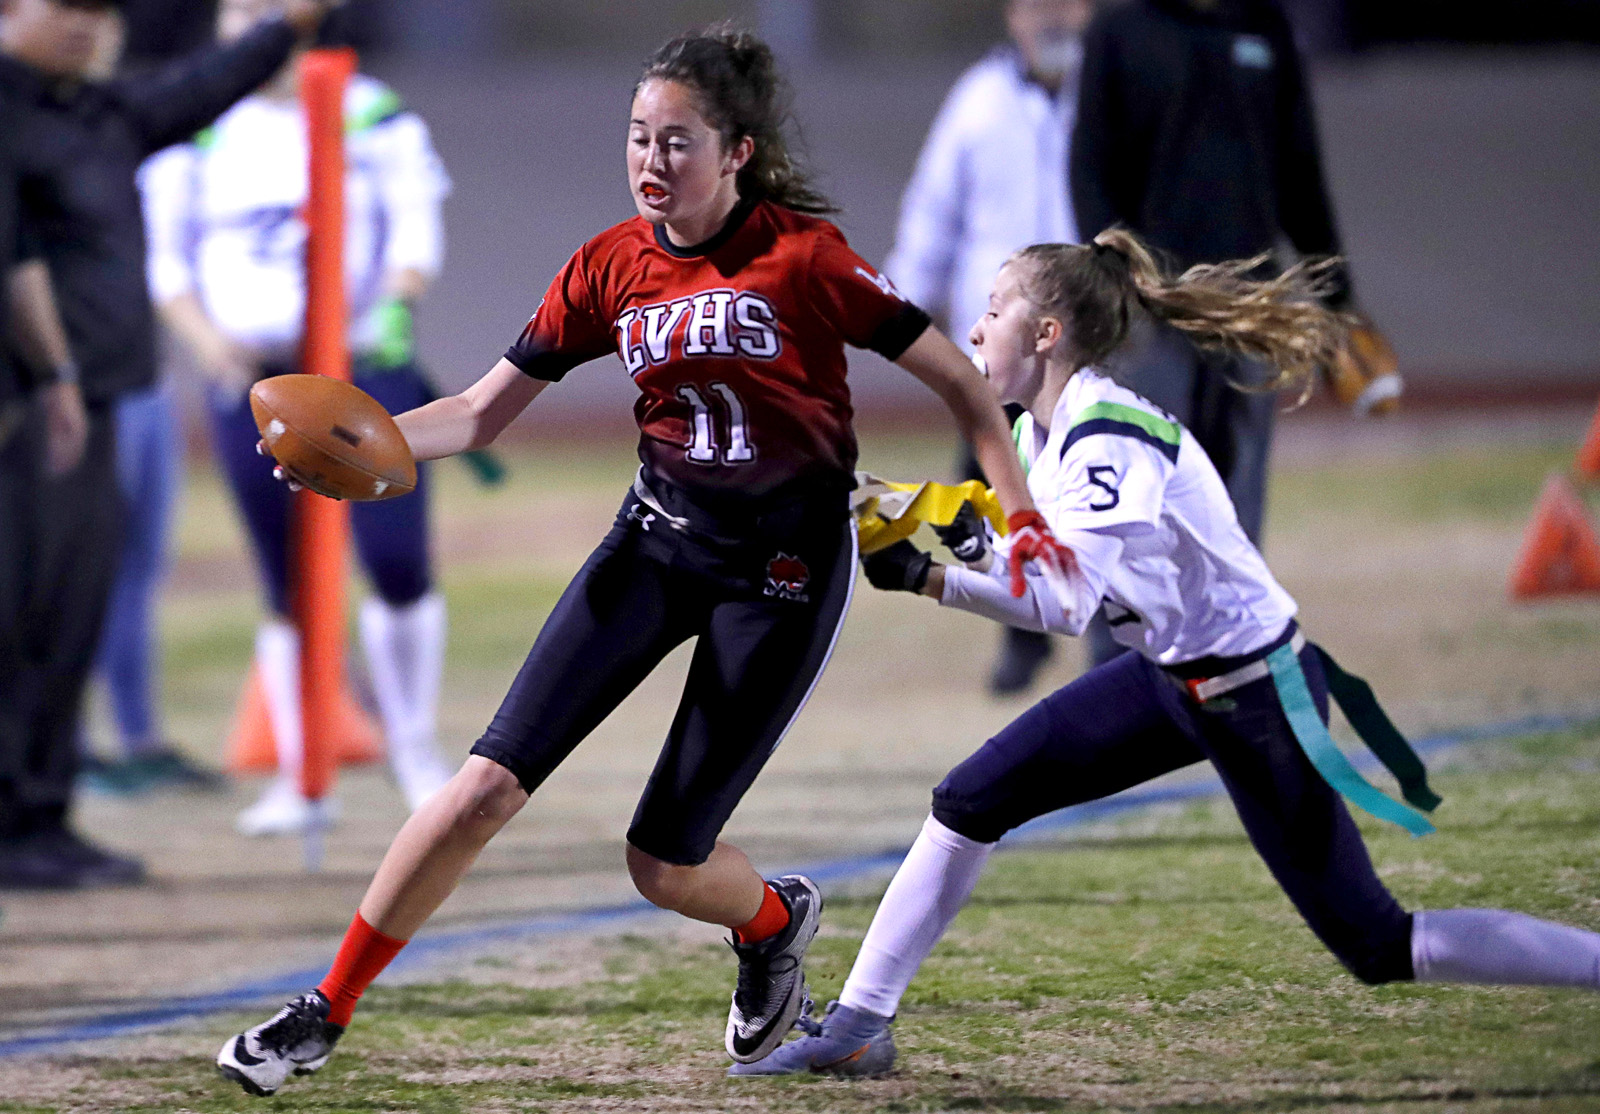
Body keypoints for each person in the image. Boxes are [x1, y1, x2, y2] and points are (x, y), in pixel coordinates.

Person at [214, 25, 1075, 1098]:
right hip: (655, 546)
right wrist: (365, 449)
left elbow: (958, 379)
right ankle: (322, 1009)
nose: (651, 161)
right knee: (482, 785)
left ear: (737, 152)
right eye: (638, 138)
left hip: (781, 577)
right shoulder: (608, 264)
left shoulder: (807, 256)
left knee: (662, 863)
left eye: (678, 141)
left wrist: (1023, 508)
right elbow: (480, 413)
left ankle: (772, 922)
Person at [731, 231, 1600, 1078]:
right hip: (1174, 677)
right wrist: (927, 537)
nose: (973, 328)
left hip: (1259, 692)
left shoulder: (1108, 437)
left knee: (1374, 940)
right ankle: (858, 1024)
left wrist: (936, 573)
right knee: (969, 799)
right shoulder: (1039, 432)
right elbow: (1049, 564)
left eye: (994, 310)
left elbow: (1067, 604)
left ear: (1047, 334)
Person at [0, 0, 344, 889]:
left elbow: (201, 87)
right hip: (27, 410)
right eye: (62, 6)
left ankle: (40, 814)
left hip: (94, 406)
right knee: (24, 615)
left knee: (67, 612)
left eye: (95, 9)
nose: (84, 25)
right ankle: (18, 820)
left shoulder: (98, 113)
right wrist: (50, 376)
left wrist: (288, 25)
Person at [141, 0, 455, 833]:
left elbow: (415, 237)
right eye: (243, 9)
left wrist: (385, 320)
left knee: (395, 560)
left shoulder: (369, 111)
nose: (259, 27)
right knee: (284, 583)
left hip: (361, 369)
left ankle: (415, 751)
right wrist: (214, 348)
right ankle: (299, 772)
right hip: (255, 377)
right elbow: (167, 261)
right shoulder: (197, 131)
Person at [1070, 0, 1380, 667]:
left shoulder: (1262, 26)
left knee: (1234, 496)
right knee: (1135, 490)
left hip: (1250, 308)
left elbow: (1302, 174)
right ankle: (1119, 667)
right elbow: (1090, 168)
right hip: (1151, 309)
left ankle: (1233, 657)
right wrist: (1116, 287)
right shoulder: (1121, 31)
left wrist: (1339, 304)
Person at [885, 0, 1093, 696]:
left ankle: (1108, 631)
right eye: (1038, 4)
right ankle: (1022, 629)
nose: (1054, 17)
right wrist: (901, 309)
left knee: (1092, 478)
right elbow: (934, 209)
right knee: (989, 489)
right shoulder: (978, 101)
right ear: (1012, 15)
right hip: (1002, 352)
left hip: (1090, 340)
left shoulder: (1111, 91)